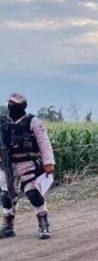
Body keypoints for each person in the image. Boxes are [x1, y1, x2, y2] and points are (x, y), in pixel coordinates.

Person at [0, 93, 56, 240]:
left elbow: (44, 142)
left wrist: (48, 163)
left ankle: (43, 224)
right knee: (6, 196)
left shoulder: (33, 121)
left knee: (33, 194)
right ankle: (8, 226)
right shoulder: (2, 122)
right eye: (10, 104)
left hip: (28, 164)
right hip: (6, 165)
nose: (12, 107)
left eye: (15, 105)